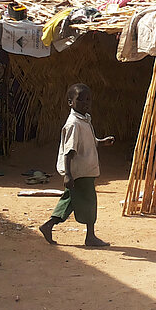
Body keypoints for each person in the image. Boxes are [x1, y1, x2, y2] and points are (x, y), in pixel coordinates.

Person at [39, 83, 115, 247]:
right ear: (70, 102)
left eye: (88, 100)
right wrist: (68, 174)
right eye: (80, 100)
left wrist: (101, 142)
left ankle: (49, 225)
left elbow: (88, 142)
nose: (85, 103)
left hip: (83, 170)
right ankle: (90, 236)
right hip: (80, 171)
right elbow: (69, 150)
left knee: (70, 200)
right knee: (89, 201)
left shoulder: (84, 120)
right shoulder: (73, 123)